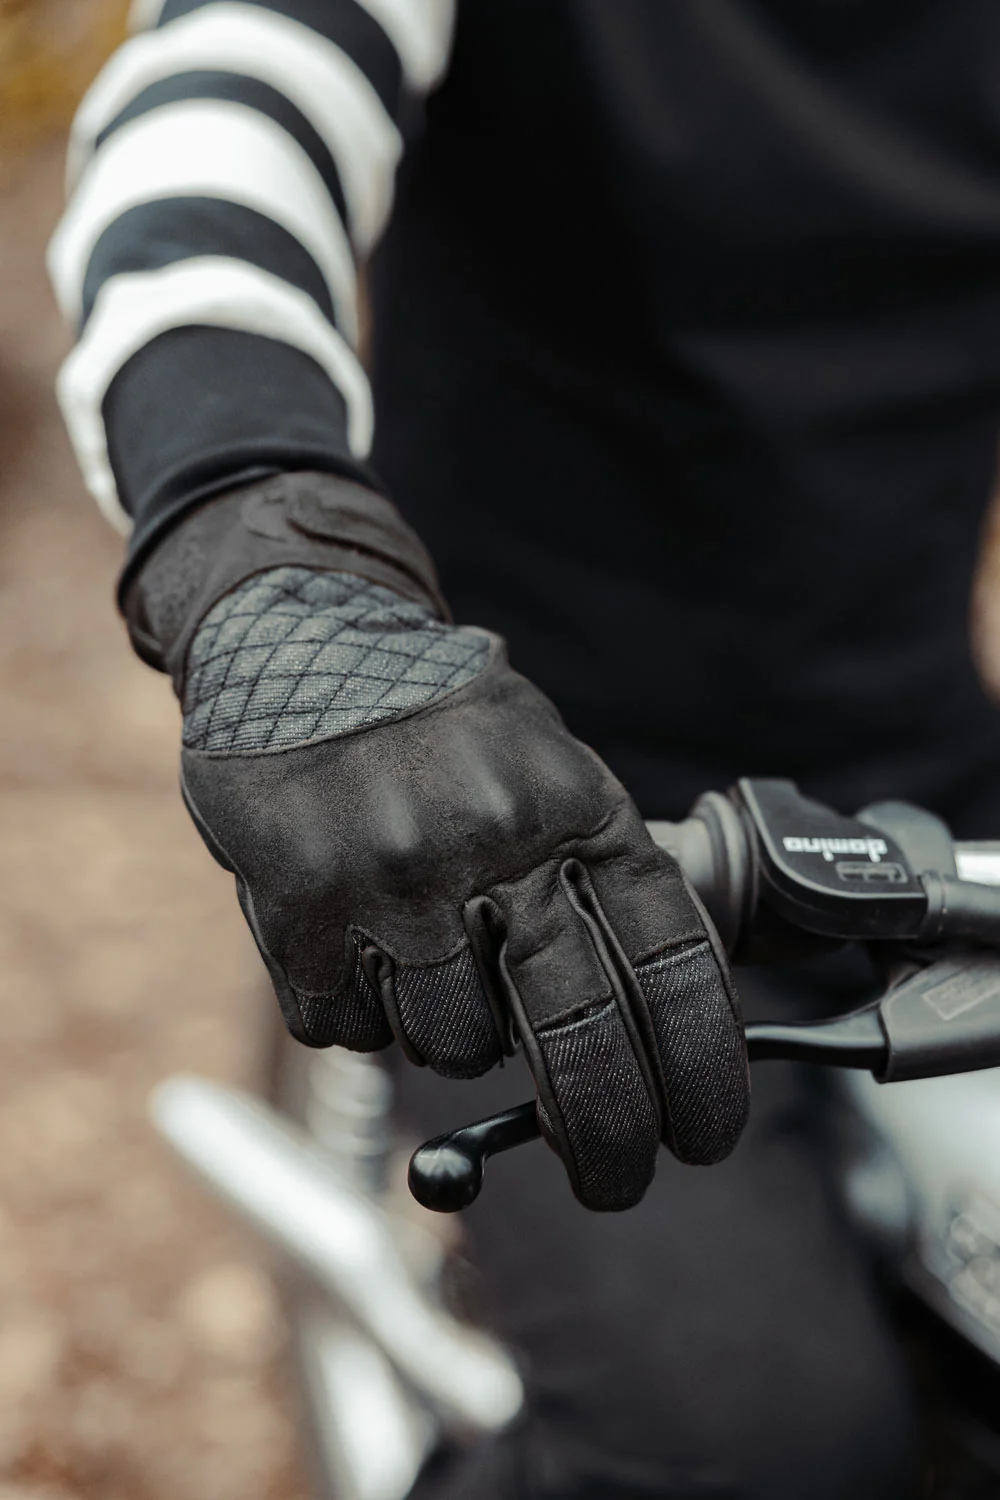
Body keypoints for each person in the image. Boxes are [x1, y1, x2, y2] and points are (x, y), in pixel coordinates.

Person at [48, 2, 1000, 1494]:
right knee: (751, 1449)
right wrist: (273, 559)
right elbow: (217, 121)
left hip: (922, 793)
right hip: (517, 820)